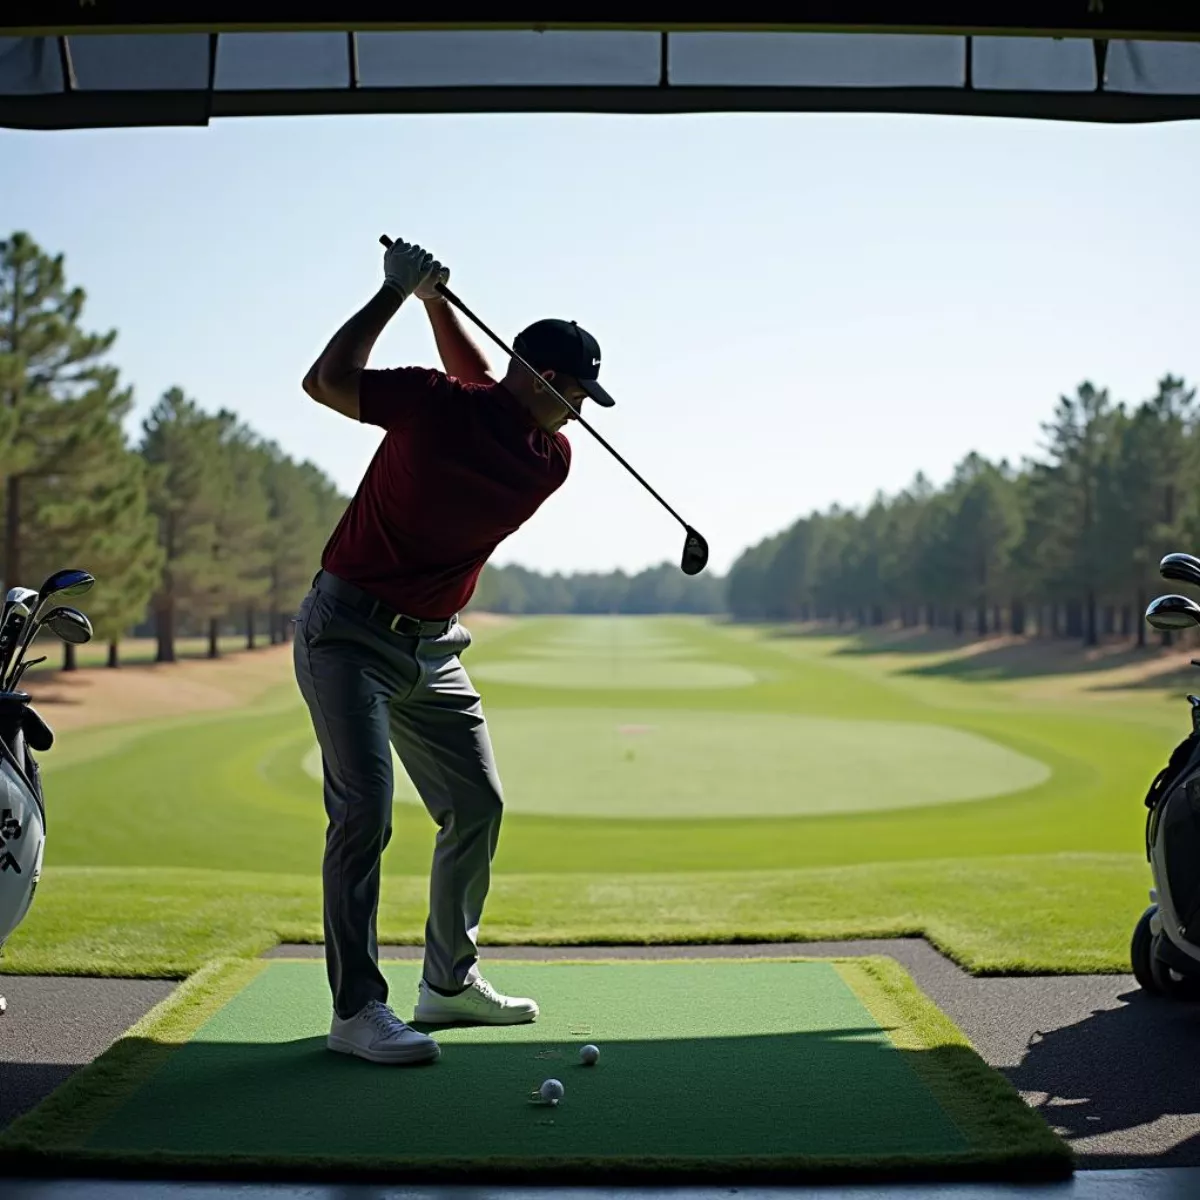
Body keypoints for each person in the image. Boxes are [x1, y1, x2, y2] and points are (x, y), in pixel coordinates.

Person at [294, 238, 616, 1066]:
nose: (580, 410)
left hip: (433, 650)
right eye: (574, 391)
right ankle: (356, 1011)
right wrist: (396, 297)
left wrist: (429, 302)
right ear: (540, 377)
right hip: (347, 634)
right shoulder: (444, 405)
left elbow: (484, 389)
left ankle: (446, 982)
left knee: (477, 804)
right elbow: (323, 384)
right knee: (363, 812)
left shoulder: (548, 459)